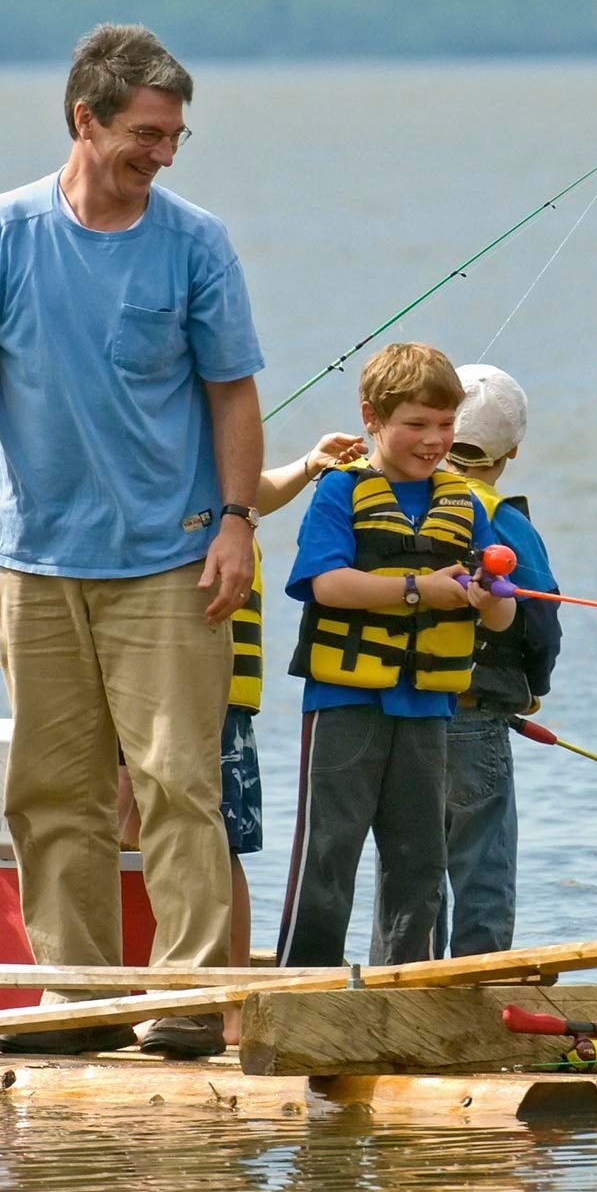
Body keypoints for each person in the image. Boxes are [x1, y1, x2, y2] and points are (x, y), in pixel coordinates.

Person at [0, 23, 263, 1059]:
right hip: (34, 559)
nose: (163, 153)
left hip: (171, 557)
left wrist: (238, 523)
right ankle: (76, 1001)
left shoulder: (195, 242)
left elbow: (233, 394)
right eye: (147, 134)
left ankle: (190, 1000)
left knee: (176, 784)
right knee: (51, 792)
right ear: (87, 119)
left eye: (175, 137)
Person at [112, 427, 365, 1040]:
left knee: (217, 842)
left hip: (215, 697)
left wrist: (308, 465)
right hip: (137, 689)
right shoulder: (144, 478)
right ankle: (145, 984)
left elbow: (250, 492)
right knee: (128, 828)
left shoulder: (222, 506)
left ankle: (229, 1001)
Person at [276, 343, 517, 967]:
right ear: (373, 418)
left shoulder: (464, 503)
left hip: (429, 709)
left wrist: (490, 595)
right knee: (327, 857)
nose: (434, 440)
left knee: (419, 863)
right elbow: (327, 584)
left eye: (445, 425)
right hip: (344, 702)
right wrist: (421, 590)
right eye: (416, 424)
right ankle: (307, 991)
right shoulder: (339, 492)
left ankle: (405, 992)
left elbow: (503, 612)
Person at [432, 363, 562, 956]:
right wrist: (533, 687)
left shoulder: (402, 502)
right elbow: (543, 621)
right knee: (482, 861)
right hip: (479, 716)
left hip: (403, 709)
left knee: (411, 868)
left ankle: (400, 982)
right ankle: (481, 983)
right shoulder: (507, 521)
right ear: (510, 452)